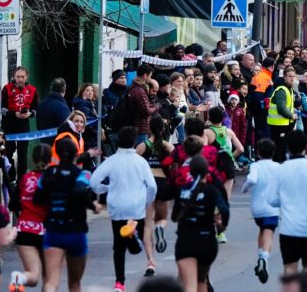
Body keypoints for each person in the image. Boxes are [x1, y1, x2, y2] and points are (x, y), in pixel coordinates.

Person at [91, 126, 156, 292]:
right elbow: (152, 186)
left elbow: (93, 182)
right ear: (134, 141)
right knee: (140, 237)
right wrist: (146, 201)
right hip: (136, 206)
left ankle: (119, 283)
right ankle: (135, 242)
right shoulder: (140, 162)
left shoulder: (111, 161)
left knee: (118, 247)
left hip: (117, 207)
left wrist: (105, 189)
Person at [35, 137, 100, 292]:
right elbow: (80, 192)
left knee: (51, 281)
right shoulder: (82, 174)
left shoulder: (48, 173)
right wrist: (93, 206)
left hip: (54, 231)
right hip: (76, 231)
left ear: (56, 153)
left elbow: (37, 198)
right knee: (75, 283)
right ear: (76, 154)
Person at [273, 130, 307, 277]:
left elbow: (273, 199)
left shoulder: (280, 169)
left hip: (289, 228)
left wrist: (285, 201)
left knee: (289, 267)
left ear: (288, 147)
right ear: (306, 145)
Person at [173, 154, 229, 292]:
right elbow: (224, 209)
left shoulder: (183, 190)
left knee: (189, 285)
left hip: (185, 240)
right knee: (201, 280)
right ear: (207, 172)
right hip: (206, 240)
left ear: (190, 172)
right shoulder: (211, 191)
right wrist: (222, 225)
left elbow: (174, 216)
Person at [9, 144, 50, 292]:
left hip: (25, 230)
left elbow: (12, 205)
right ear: (50, 159)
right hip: (46, 232)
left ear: (33, 159)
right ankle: (21, 279)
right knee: (49, 279)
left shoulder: (25, 178)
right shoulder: (51, 179)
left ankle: (20, 278)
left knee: (32, 275)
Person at [139, 117, 174, 277]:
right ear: (162, 129)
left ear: (149, 129)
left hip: (147, 185)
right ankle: (160, 227)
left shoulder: (142, 146)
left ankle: (150, 262)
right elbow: (175, 164)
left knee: (147, 224)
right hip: (162, 183)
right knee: (162, 218)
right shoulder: (168, 146)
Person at [243, 138, 279, 284]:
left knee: (262, 230)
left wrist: (244, 188)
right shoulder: (278, 167)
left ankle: (260, 256)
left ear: (258, 152)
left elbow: (251, 180)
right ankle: (264, 258)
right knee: (268, 233)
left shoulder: (256, 166)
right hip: (272, 207)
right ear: (273, 152)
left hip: (257, 208)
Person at [2, 68, 38, 177]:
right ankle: (10, 177)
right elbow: (2, 109)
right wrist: (14, 114)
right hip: (9, 123)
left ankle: (22, 179)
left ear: (26, 77)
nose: (20, 79)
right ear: (14, 76)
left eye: (22, 77)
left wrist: (30, 114)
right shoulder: (7, 88)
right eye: (18, 76)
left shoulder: (32, 89)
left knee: (22, 154)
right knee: (8, 152)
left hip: (24, 124)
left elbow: (36, 109)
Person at [267, 68, 299, 163]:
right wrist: (292, 116)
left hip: (284, 123)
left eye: (293, 76)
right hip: (278, 125)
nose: (292, 78)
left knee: (282, 147)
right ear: (284, 77)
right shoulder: (282, 90)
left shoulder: (290, 89)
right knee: (279, 149)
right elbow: (281, 108)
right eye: (290, 76)